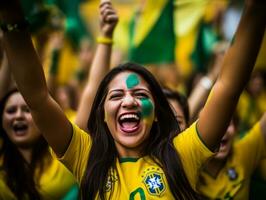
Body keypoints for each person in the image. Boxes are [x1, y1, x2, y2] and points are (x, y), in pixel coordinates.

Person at [0, 0, 265, 199]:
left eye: (140, 94)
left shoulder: (183, 154)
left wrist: (255, 8)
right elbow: (36, 97)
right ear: (102, 113)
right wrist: (11, 17)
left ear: (158, 113)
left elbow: (228, 86)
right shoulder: (85, 156)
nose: (129, 101)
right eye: (116, 95)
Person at [0, 89, 78, 199]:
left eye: (27, 110)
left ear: (43, 119)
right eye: (11, 111)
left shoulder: (65, 153)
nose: (18, 116)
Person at [196, 112, 266, 199]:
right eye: (211, 125)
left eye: (227, 123)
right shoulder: (189, 169)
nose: (221, 130)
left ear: (236, 129)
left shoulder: (242, 153)